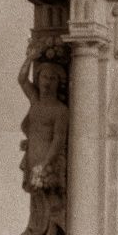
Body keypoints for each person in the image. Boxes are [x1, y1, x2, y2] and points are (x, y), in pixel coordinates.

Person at [18, 44, 68, 194]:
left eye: (53, 79)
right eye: (44, 77)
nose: (47, 82)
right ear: (38, 79)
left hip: (46, 160)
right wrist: (30, 58)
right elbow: (22, 79)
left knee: (51, 204)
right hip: (32, 156)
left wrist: (45, 164)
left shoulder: (60, 110)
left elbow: (58, 140)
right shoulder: (35, 99)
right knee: (38, 204)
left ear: (59, 83)